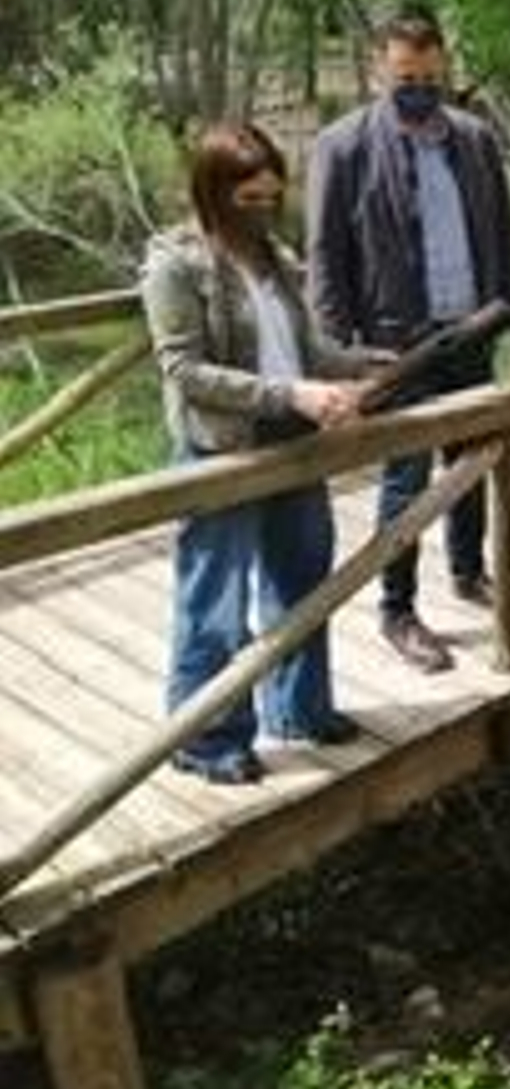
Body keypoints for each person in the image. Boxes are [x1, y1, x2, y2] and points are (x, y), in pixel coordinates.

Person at [141, 123, 385, 785]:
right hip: (222, 451)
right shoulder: (175, 265)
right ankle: (206, 738)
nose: (262, 210)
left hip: (292, 440)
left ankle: (299, 710)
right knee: (214, 603)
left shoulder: (274, 258)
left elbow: (306, 349)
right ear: (213, 192)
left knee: (302, 584)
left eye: (272, 197)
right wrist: (291, 394)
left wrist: (364, 363)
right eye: (248, 198)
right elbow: (184, 370)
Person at [306, 5, 510, 675]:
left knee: (474, 464)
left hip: (471, 331)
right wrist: (337, 357)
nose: (420, 88)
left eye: (431, 77)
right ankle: (397, 608)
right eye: (407, 77)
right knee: (405, 482)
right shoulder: (343, 147)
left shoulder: (474, 139)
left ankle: (468, 571)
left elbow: (502, 236)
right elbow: (325, 258)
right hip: (394, 346)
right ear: (379, 69)